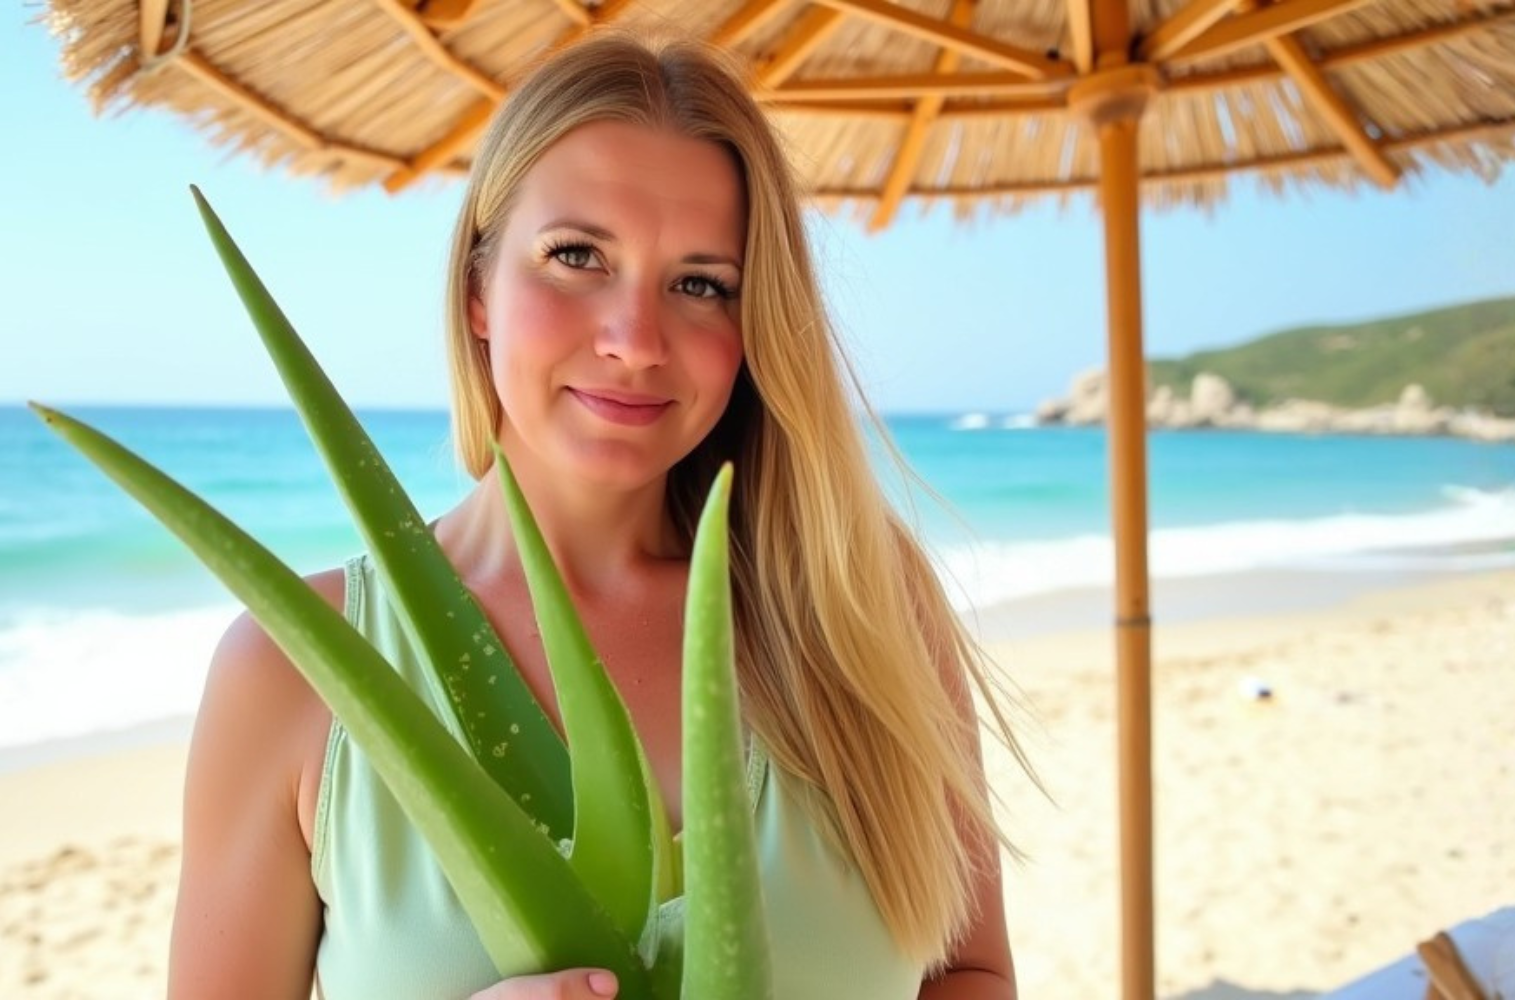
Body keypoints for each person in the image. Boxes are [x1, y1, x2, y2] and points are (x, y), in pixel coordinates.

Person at [166, 28, 1023, 1000]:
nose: (636, 339)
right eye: (576, 256)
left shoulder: (856, 604)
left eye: (701, 283)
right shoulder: (293, 669)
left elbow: (971, 972)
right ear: (477, 290)